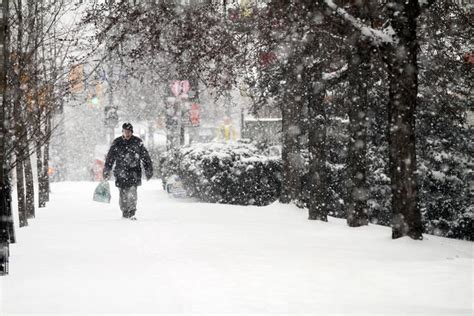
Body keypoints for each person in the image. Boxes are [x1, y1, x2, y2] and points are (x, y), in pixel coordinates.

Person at [103, 122, 153, 220]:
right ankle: (125, 211)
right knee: (123, 194)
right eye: (125, 131)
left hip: (134, 172)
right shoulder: (117, 142)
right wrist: (107, 169)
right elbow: (110, 158)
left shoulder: (137, 142)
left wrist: (148, 169)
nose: (127, 134)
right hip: (121, 172)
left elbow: (145, 157)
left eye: (129, 132)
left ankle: (132, 211)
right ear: (122, 132)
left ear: (132, 132)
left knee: (132, 192)